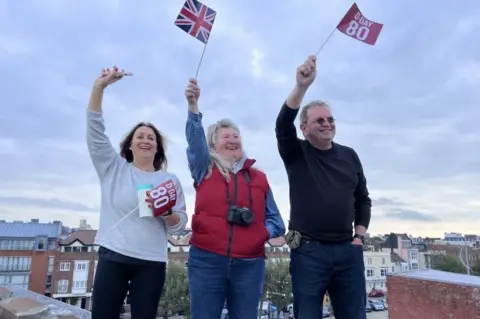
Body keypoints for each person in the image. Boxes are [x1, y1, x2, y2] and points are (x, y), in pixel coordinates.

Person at [87, 66, 188, 319]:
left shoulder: (169, 180)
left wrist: (166, 213)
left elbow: (179, 225)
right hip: (113, 256)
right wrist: (99, 87)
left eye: (151, 138)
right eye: (140, 136)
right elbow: (95, 133)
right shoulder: (113, 168)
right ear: (130, 145)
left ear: (158, 148)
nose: (146, 140)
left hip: (151, 262)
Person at [275, 56, 372, 319]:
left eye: (330, 119)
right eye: (319, 121)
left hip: (348, 251)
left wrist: (359, 237)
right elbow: (283, 126)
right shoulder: (296, 152)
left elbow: (363, 200)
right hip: (308, 252)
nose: (327, 124)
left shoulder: (350, 155)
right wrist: (302, 87)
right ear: (304, 128)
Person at [184, 78, 286, 319]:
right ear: (213, 144)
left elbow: (277, 222)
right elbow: (194, 142)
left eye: (236, 136)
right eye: (225, 137)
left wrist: (260, 233)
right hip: (207, 260)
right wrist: (193, 107)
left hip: (249, 265)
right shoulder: (204, 169)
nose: (232, 140)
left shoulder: (259, 178)